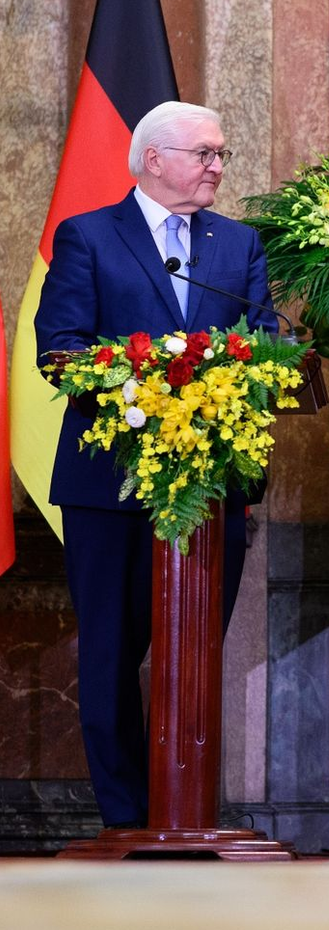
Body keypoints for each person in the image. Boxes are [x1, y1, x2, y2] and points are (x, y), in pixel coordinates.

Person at [34, 101, 275, 830]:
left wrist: (249, 370)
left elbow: (267, 342)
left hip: (211, 484)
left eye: (221, 154)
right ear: (153, 159)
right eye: (205, 153)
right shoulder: (88, 236)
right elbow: (61, 348)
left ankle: (186, 813)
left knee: (192, 653)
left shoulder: (239, 244)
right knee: (110, 655)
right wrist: (147, 383)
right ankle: (127, 818)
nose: (217, 167)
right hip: (108, 483)